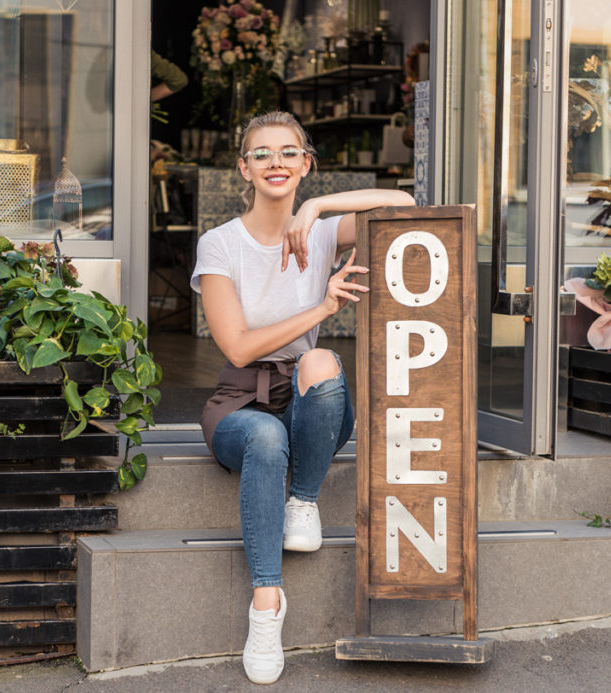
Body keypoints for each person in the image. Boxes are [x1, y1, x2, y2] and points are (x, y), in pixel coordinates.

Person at [189, 111, 415, 684]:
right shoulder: (220, 245)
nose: (276, 163)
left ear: (306, 164)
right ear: (244, 167)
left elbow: (403, 203)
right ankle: (267, 606)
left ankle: (304, 500)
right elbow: (238, 348)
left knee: (321, 360)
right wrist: (323, 307)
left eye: (289, 153)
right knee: (265, 435)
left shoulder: (318, 230)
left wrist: (317, 208)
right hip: (241, 403)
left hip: (309, 400)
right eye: (262, 154)